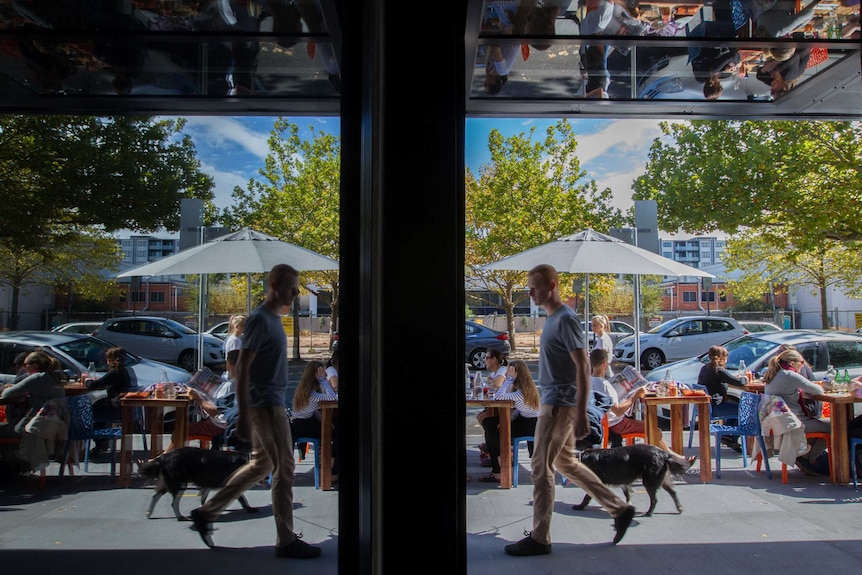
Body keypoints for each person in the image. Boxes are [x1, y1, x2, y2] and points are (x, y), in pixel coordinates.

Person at [190, 263, 321, 559]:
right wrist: (246, 416)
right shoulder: (260, 320)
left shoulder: (273, 318)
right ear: (274, 285)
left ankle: (207, 512)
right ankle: (286, 541)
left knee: (262, 466)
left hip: (271, 404)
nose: (295, 292)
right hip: (266, 406)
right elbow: (242, 369)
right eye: (291, 287)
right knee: (285, 470)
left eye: (297, 287)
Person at [504, 264, 635, 556]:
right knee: (565, 464)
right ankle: (619, 508)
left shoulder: (565, 319)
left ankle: (540, 537)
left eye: (535, 287)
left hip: (559, 405)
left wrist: (579, 412)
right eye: (529, 287)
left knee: (540, 468)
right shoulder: (551, 319)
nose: (530, 293)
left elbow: (584, 366)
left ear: (552, 285)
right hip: (555, 402)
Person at [762, 348, 831, 477]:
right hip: (794, 423)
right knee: (836, 427)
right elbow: (818, 390)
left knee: (825, 423)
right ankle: (810, 459)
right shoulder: (789, 374)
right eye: (801, 362)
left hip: (779, 422)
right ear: (792, 363)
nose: (803, 365)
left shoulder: (774, 374)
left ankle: (805, 456)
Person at [0, 351, 69, 471]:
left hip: (40, 422)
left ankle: (18, 464)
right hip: (58, 419)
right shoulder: (57, 376)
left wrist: (12, 388)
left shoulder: (37, 377)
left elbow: (6, 394)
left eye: (26, 364)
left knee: (10, 430)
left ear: (35, 365)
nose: (24, 367)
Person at [162, 350, 240, 454]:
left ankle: (164, 458)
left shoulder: (230, 385)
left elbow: (214, 412)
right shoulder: (244, 382)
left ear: (229, 364)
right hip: (231, 423)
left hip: (219, 426)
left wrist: (198, 397)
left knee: (180, 431)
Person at [478, 359, 540, 483]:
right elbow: (518, 409)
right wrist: (509, 420)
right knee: (491, 424)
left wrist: (509, 380)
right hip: (530, 422)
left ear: (516, 374)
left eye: (509, 372)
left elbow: (498, 397)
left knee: (491, 427)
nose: (506, 375)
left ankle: (498, 468)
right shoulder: (527, 388)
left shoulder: (520, 392)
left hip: (530, 425)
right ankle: (498, 458)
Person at [290, 360, 338, 478]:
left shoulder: (306, 390)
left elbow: (315, 410)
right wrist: (323, 381)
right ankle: (330, 467)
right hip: (302, 425)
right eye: (322, 373)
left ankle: (329, 463)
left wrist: (323, 421)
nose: (325, 376)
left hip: (300, 422)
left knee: (333, 429)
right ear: (315, 374)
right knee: (334, 434)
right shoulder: (311, 394)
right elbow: (331, 397)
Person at [85, 346, 135, 452]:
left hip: (116, 407)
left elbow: (93, 385)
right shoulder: (126, 370)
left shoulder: (114, 372)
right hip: (124, 406)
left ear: (111, 360)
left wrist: (87, 380)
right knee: (98, 407)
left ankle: (100, 442)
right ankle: (103, 440)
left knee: (90, 413)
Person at [697, 345, 746, 453]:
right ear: (722, 357)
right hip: (716, 407)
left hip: (707, 406)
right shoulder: (719, 371)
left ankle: (727, 435)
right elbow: (739, 382)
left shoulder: (704, 368)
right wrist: (745, 377)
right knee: (743, 410)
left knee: (735, 406)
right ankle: (731, 437)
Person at [223, 314, 246, 379]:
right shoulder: (235, 340)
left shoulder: (237, 339)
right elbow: (233, 361)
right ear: (237, 326)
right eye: (243, 326)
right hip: (234, 374)